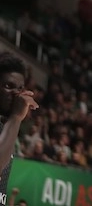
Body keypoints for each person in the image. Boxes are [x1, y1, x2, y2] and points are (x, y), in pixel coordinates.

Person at [0, 53, 38, 206]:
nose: (16, 94)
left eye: (20, 88)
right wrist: (16, 117)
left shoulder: (6, 125)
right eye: (8, 86)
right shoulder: (12, 122)